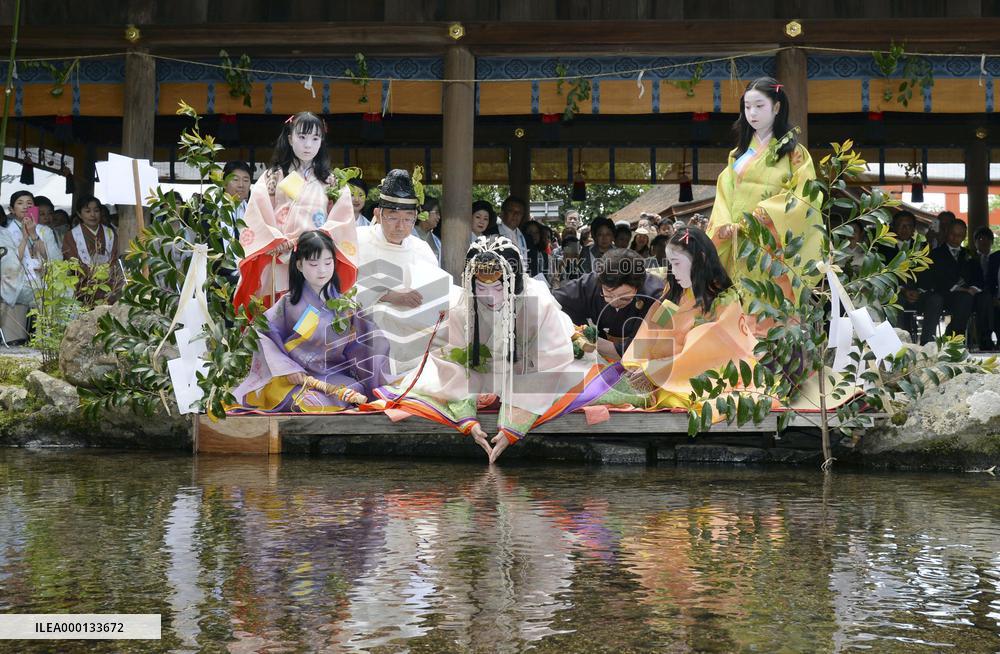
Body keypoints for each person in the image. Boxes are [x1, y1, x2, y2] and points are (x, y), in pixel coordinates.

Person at [375, 236, 596, 463]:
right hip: (483, 371)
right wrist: (467, 417)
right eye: (481, 287)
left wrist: (513, 423)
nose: (489, 296)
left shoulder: (538, 303)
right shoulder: (463, 306)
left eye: (499, 287)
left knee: (574, 384)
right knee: (434, 385)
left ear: (514, 281)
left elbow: (552, 358)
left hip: (529, 370)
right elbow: (453, 358)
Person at [582, 226, 756, 410]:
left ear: (701, 260)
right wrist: (636, 364)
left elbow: (706, 349)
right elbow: (652, 330)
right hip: (661, 375)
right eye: (671, 264)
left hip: (704, 378)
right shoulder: (674, 297)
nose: (673, 271)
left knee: (673, 400)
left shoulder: (724, 299)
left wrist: (653, 371)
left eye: (678, 264)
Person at [230, 230, 390, 413]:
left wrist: (377, 348)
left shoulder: (346, 306)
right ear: (299, 265)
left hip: (333, 376)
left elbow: (368, 341)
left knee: (355, 389)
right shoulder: (288, 304)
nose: (322, 270)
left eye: (328, 262)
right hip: (294, 379)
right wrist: (287, 368)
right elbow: (261, 333)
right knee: (307, 401)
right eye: (313, 264)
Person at [706, 77, 821, 303]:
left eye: (759, 106)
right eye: (747, 107)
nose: (752, 113)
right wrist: (725, 226)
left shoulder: (794, 153)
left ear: (776, 107)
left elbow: (803, 195)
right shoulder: (736, 155)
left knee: (773, 303)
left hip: (773, 243)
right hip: (738, 242)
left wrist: (762, 216)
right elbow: (724, 196)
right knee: (738, 304)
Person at [234, 111, 358, 310]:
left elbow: (342, 221)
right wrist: (278, 241)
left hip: (316, 261)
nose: (308, 145)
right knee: (277, 324)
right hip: (280, 259)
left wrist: (314, 242)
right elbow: (257, 214)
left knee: (313, 327)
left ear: (321, 141)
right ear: (290, 138)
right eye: (302, 137)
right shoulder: (272, 176)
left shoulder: (332, 181)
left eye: (315, 138)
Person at [356, 169, 452, 376]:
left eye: (408, 219)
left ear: (416, 217)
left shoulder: (421, 248)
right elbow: (345, 287)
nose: (400, 226)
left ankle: (427, 374)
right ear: (378, 215)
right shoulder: (358, 240)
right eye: (392, 217)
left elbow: (435, 287)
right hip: (374, 315)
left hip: (417, 315)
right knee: (383, 315)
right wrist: (389, 296)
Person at [554, 247, 665, 362]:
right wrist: (578, 330)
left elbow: (653, 343)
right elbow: (554, 301)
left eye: (624, 297)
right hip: (601, 352)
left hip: (641, 360)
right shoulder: (591, 283)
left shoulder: (660, 297)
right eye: (608, 294)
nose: (614, 302)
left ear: (638, 287)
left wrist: (595, 342)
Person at [917, 219, 990, 346]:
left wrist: (973, 288)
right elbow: (932, 278)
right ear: (946, 232)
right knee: (953, 298)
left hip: (965, 296)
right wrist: (956, 287)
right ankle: (931, 341)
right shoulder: (935, 254)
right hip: (944, 293)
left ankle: (962, 336)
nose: (955, 238)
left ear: (964, 237)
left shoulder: (969, 254)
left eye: (959, 235)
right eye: (952, 234)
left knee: (979, 297)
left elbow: (979, 277)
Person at [62, 194, 119, 299]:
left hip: (108, 283)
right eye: (87, 211)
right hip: (83, 286)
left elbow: (115, 257)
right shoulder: (72, 235)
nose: (93, 215)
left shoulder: (110, 233)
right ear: (79, 214)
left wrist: (107, 273)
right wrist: (92, 273)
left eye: (96, 211)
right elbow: (72, 260)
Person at [497, 195, 528, 263]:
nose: (516, 214)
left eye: (519, 212)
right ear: (502, 213)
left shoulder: (527, 238)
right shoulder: (490, 234)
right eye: (511, 211)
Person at [412, 195, 442, 265]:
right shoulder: (408, 235)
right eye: (436, 213)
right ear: (424, 212)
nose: (439, 217)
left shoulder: (437, 241)